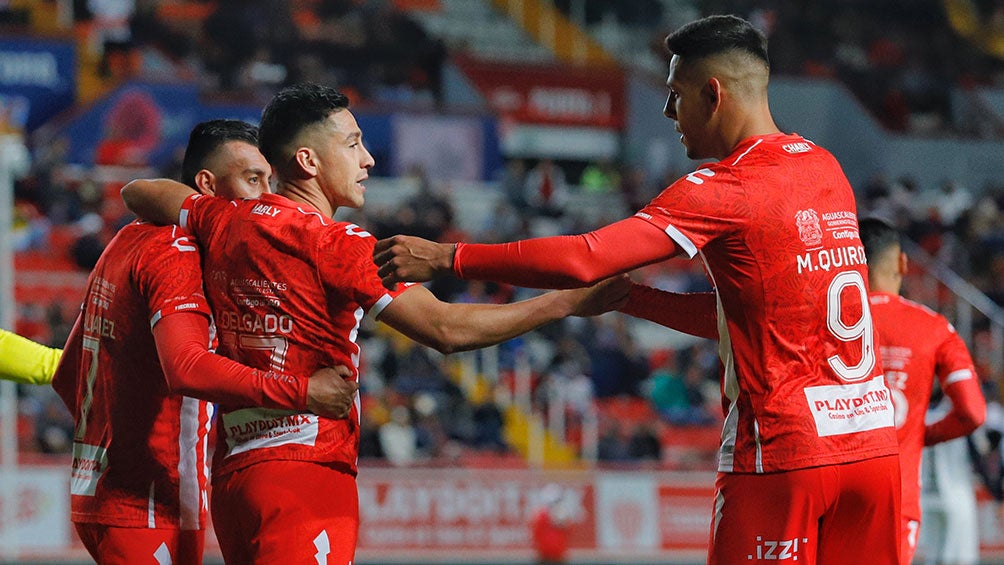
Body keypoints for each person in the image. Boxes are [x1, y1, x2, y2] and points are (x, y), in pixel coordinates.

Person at [374, 15, 902, 564]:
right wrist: (634, 298)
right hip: (872, 451)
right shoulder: (824, 169)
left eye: (675, 96)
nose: (670, 113)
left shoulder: (727, 187)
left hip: (785, 454)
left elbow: (585, 257)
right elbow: (756, 317)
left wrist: (447, 256)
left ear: (712, 93)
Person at [120, 83, 629, 565]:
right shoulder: (337, 244)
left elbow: (141, 191)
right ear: (308, 161)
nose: (368, 159)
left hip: (235, 477)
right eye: (354, 144)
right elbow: (447, 330)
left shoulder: (222, 219)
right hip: (307, 474)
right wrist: (562, 304)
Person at [51, 119, 357, 565]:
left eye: (269, 180)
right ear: (206, 186)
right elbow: (187, 368)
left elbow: (67, 375)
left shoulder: (124, 241)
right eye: (253, 180)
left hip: (100, 494)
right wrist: (305, 391)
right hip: (152, 502)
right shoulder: (178, 251)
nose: (266, 195)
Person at [858, 217, 986, 564]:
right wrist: (921, 434)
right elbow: (973, 412)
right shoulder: (934, 327)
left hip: (829, 488)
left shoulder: (820, 320)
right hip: (897, 494)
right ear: (902, 262)